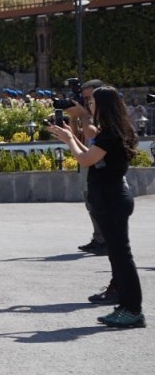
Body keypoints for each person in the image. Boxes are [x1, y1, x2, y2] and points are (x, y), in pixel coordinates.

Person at [48, 86, 144, 329]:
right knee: (119, 255)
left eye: (92, 103)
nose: (89, 106)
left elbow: (86, 160)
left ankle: (132, 309)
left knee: (122, 257)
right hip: (111, 197)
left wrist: (69, 139)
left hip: (112, 198)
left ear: (103, 105)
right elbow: (90, 157)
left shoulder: (109, 133)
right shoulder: (114, 130)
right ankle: (126, 306)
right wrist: (70, 136)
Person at [68, 80, 108, 256]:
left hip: (100, 168)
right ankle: (99, 238)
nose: (87, 102)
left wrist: (83, 115)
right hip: (87, 164)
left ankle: (105, 240)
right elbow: (77, 137)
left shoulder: (105, 117)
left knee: (98, 204)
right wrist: (73, 118)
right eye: (84, 99)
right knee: (90, 203)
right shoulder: (87, 114)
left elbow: (91, 134)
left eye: (89, 98)